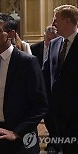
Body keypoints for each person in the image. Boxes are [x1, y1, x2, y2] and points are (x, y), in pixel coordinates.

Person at [0, 13, 48, 154]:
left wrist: (17, 132)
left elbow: (40, 105)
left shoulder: (27, 62)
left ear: (11, 34)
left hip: (20, 138)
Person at [44, 4, 78, 154]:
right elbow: (46, 74)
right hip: (56, 112)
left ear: (67, 21)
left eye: (56, 20)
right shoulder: (54, 44)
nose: (53, 24)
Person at [31, 25, 58, 153]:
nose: (51, 42)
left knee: (53, 117)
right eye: (49, 39)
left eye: (54, 39)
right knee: (44, 116)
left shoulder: (58, 48)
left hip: (52, 89)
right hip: (37, 88)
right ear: (44, 37)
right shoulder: (35, 48)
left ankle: (54, 142)